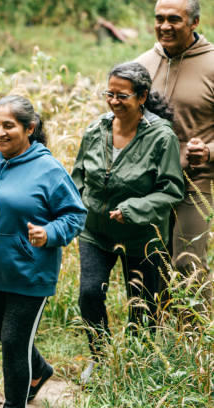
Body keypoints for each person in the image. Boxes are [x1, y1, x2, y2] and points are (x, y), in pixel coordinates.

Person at [0, 95, 86, 407]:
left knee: (13, 343)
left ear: (30, 128)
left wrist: (49, 233)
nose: (0, 132)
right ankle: (39, 371)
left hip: (30, 273)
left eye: (9, 126)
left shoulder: (48, 169)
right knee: (9, 337)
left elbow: (75, 214)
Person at [71, 62, 185, 383]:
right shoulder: (97, 130)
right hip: (95, 232)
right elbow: (77, 177)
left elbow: (172, 190)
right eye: (110, 94)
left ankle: (134, 367)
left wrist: (135, 208)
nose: (114, 101)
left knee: (143, 305)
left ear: (142, 96)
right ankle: (101, 356)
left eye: (122, 95)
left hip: (142, 237)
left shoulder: (161, 137)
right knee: (90, 294)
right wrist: (75, 208)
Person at [136, 0, 213, 314]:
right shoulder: (142, 64)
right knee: (148, 263)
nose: (164, 26)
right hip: (147, 183)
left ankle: (194, 345)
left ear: (194, 23)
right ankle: (153, 340)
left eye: (174, 19)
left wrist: (209, 151)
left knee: (188, 264)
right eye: (159, 18)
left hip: (195, 182)